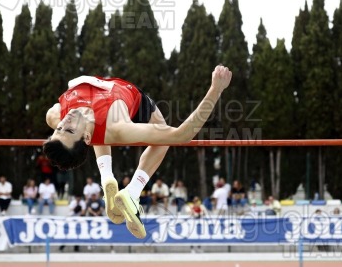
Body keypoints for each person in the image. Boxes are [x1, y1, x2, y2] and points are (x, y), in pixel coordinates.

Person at [43, 65, 232, 238]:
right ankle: (132, 192)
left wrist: (65, 129)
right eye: (69, 130)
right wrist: (215, 90)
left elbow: (63, 125)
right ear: (84, 138)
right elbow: (182, 135)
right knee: (163, 139)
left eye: (59, 129)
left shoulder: (54, 116)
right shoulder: (118, 127)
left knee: (95, 129)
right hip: (130, 98)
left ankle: (107, 178)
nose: (65, 122)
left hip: (103, 105)